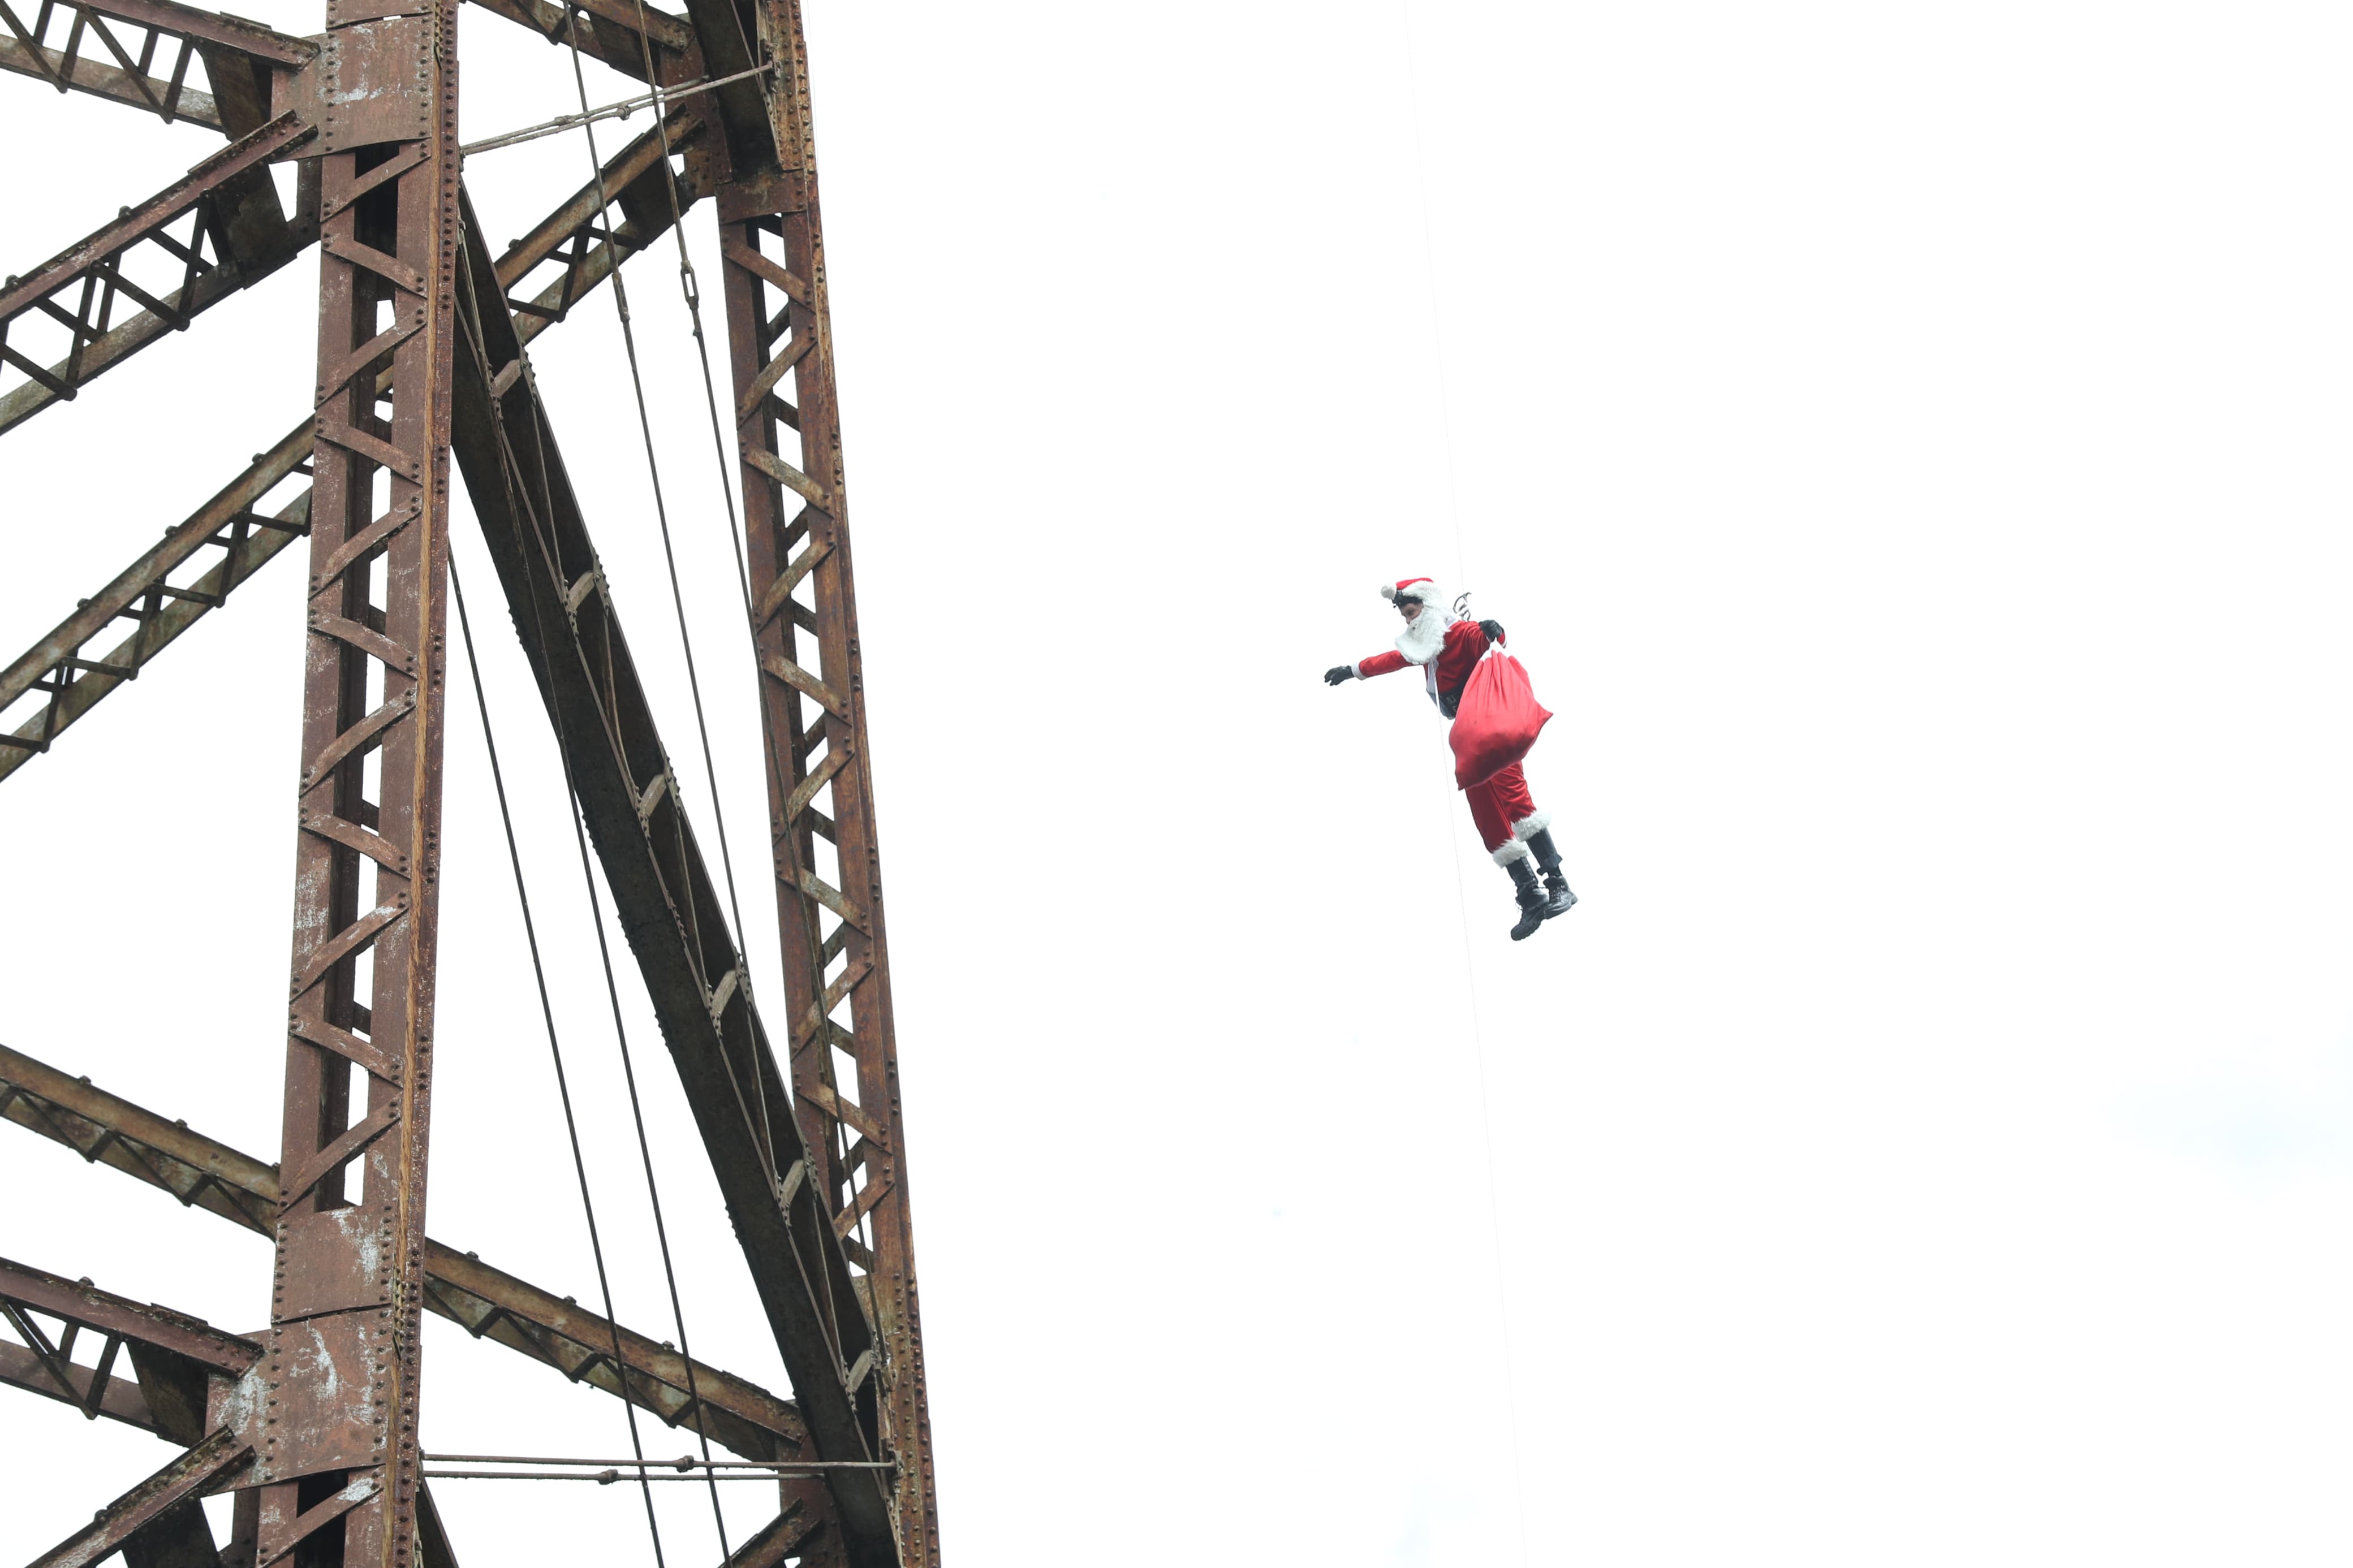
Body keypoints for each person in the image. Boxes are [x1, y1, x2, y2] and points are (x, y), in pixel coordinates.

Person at [1324, 577, 1576, 940]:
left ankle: (1557, 883)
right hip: (1464, 733)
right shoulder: (1425, 647)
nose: (1408, 621)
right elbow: (1392, 659)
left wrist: (1495, 631)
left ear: (1429, 607)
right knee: (1485, 812)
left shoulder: (1459, 633)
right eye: (1404, 615)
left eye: (1412, 612)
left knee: (1514, 797)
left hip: (1489, 724)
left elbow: (1486, 637)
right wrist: (1353, 670)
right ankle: (1528, 891)